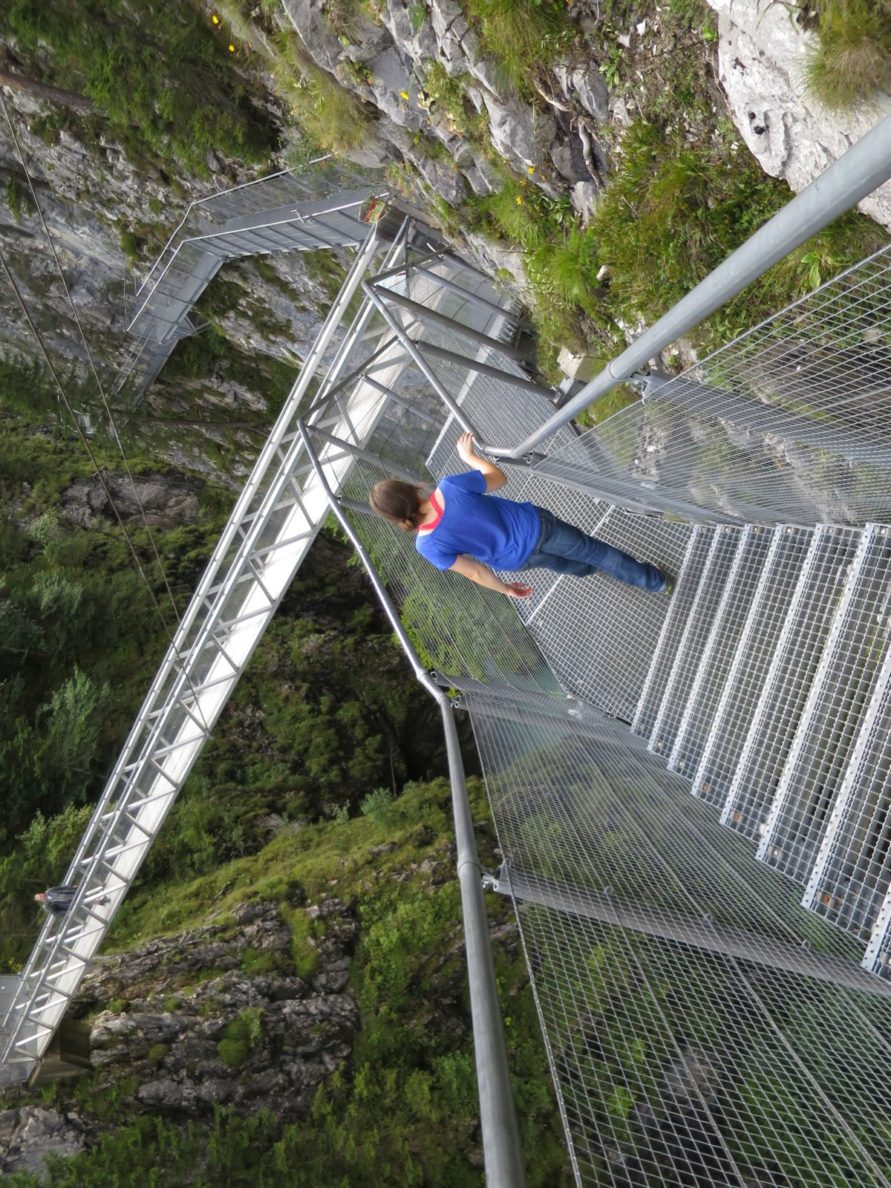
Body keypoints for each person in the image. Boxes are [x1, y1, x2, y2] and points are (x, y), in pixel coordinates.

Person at [369, 432, 670, 598]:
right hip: (537, 527)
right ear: (410, 489)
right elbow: (498, 479)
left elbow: (474, 572)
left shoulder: (427, 546)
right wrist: (471, 457)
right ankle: (653, 581)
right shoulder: (450, 488)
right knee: (596, 551)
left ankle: (589, 571)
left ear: (395, 517)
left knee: (559, 563)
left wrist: (506, 589)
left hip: (516, 560)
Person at [35, 885, 109, 915]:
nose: (42, 896)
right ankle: (101, 901)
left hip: (70, 894)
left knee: (85, 897)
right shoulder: (46, 906)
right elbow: (55, 913)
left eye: (40, 895)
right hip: (68, 904)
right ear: (40, 900)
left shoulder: (50, 891)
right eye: (40, 897)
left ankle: (100, 902)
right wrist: (68, 911)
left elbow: (62, 888)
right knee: (85, 901)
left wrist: (71, 887)